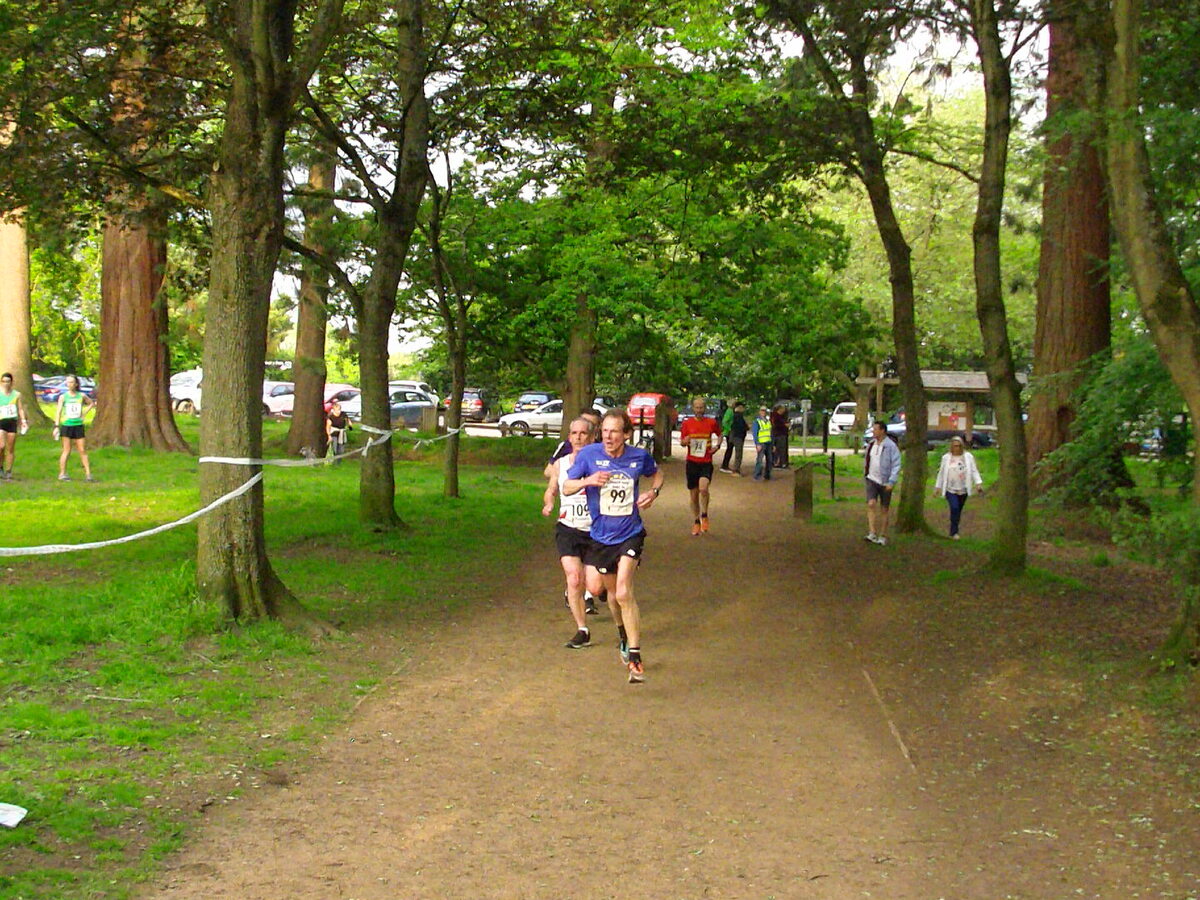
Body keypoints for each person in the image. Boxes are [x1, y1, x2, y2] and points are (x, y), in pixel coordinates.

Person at [565, 409, 664, 684]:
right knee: (605, 592)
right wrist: (588, 480)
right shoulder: (589, 455)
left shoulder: (638, 456)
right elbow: (567, 486)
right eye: (605, 431)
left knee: (623, 591)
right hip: (601, 537)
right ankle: (622, 633)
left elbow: (658, 474)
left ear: (627, 434)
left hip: (630, 533)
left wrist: (653, 492)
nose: (608, 437)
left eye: (614, 431)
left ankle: (635, 657)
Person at [543, 417, 598, 648]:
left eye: (583, 433)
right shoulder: (561, 464)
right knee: (574, 579)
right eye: (574, 433)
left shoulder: (601, 462)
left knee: (595, 586)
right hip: (568, 528)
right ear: (569, 437)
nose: (578, 437)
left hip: (596, 530)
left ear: (592, 437)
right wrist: (549, 503)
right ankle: (582, 629)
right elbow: (551, 489)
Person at [679, 395, 722, 535]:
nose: (699, 410)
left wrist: (717, 446)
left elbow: (720, 434)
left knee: (703, 489)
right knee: (693, 495)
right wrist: (685, 441)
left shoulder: (711, 422)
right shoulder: (687, 423)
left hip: (706, 461)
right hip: (692, 462)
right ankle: (696, 521)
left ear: (705, 408)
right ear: (693, 408)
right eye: (697, 407)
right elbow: (682, 442)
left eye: (701, 407)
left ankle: (705, 514)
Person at [933, 435, 984, 539]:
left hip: (963, 489)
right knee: (954, 507)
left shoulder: (968, 457)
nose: (957, 448)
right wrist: (938, 487)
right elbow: (941, 473)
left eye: (959, 446)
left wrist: (978, 483)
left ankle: (955, 527)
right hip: (950, 489)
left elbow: (974, 470)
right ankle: (953, 531)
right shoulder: (946, 458)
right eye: (955, 446)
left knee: (958, 510)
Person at [864, 420, 901, 545]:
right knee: (871, 504)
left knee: (884, 508)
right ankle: (872, 532)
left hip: (885, 481)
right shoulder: (871, 444)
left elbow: (896, 464)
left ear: (882, 431)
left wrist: (891, 481)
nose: (873, 431)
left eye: (875, 429)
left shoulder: (891, 446)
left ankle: (883, 535)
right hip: (872, 479)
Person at [55, 375, 95, 482]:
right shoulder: (63, 397)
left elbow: (91, 403)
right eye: (68, 382)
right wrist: (56, 426)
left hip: (78, 425)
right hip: (67, 425)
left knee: (82, 450)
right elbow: (58, 412)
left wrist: (84, 414)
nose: (70, 384)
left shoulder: (81, 396)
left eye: (72, 382)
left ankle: (88, 474)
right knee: (66, 450)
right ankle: (62, 473)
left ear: (76, 384)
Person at [0, 372, 29, 481]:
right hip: (1, 422)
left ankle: (8, 471)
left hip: (12, 422)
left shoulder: (16, 394)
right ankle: (0, 467)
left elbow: (20, 408)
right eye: (4, 381)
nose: (6, 384)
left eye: (8, 381)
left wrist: (23, 420)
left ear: (11, 382)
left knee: (10, 448)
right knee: (1, 446)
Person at [721, 402, 748, 476]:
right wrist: (730, 429)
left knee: (732, 451)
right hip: (737, 436)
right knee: (738, 454)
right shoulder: (736, 415)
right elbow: (739, 426)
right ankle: (735, 470)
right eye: (742, 407)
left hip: (734, 436)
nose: (743, 409)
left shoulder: (736, 415)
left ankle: (731, 467)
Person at [751, 406, 773, 481]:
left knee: (770, 460)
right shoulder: (757, 421)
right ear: (759, 412)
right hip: (761, 443)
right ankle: (757, 475)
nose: (763, 412)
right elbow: (755, 433)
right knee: (760, 460)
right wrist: (757, 444)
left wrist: (773, 444)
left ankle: (767, 475)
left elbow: (771, 433)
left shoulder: (768, 421)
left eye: (764, 411)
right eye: (762, 411)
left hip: (769, 442)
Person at [718, 400, 737, 473]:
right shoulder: (730, 411)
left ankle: (725, 465)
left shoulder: (730, 411)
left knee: (730, 448)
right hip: (728, 432)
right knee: (729, 448)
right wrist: (729, 429)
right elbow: (724, 421)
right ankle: (724, 465)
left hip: (728, 432)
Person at [771, 404, 790, 469]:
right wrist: (784, 425)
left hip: (782, 434)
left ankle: (781, 462)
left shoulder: (782, 416)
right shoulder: (776, 417)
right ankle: (779, 462)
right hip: (779, 434)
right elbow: (776, 425)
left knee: (782, 449)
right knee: (780, 449)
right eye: (783, 409)